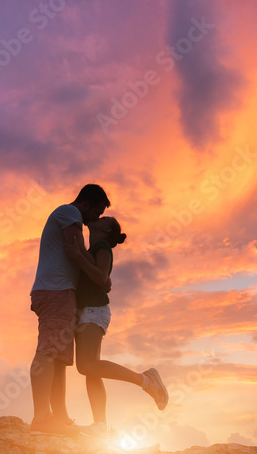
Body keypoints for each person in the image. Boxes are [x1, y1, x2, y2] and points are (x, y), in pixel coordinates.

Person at [66, 216, 168, 435]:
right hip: (90, 310)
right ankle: (100, 425)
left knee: (86, 366)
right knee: (92, 370)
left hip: (94, 310)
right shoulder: (94, 247)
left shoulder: (102, 247)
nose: (99, 217)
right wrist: (79, 254)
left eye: (104, 218)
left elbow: (101, 277)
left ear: (105, 229)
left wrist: (77, 255)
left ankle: (146, 381)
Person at [28, 183, 111, 435]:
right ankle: (41, 417)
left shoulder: (72, 215)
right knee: (48, 351)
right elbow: (76, 249)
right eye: (95, 213)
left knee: (59, 359)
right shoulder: (69, 213)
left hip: (62, 292)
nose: (92, 221)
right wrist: (102, 278)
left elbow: (79, 253)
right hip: (55, 290)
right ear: (85, 204)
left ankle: (59, 417)